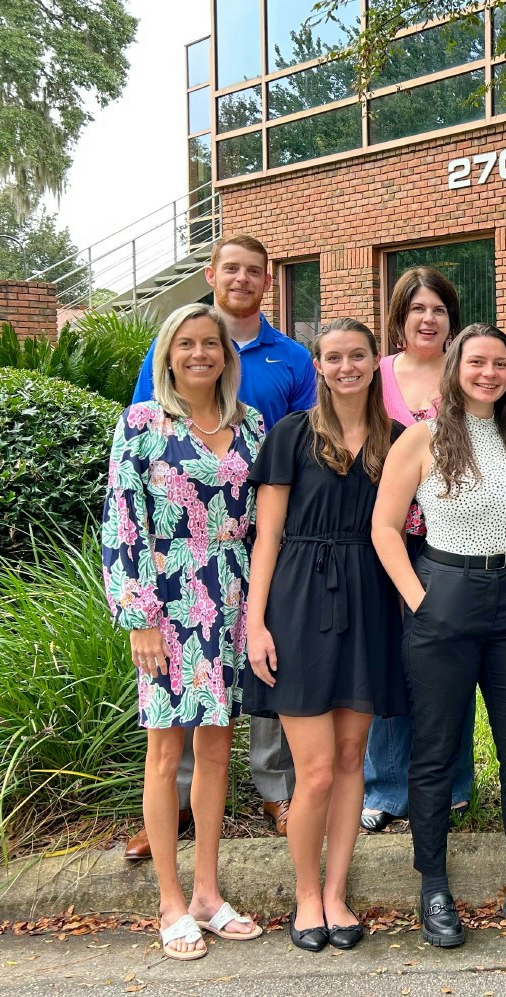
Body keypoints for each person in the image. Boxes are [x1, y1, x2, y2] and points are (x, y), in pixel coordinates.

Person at [372, 324, 506, 949]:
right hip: (444, 597)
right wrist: (420, 601)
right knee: (434, 750)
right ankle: (433, 884)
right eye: (476, 362)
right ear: (456, 368)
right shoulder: (423, 437)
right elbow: (385, 529)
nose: (488, 373)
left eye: (498, 364)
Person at [127, 233, 316, 858]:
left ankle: (272, 792)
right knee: (174, 722)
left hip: (244, 565)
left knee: (248, 698)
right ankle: (172, 813)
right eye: (230, 268)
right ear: (211, 273)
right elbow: (129, 507)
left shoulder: (289, 361)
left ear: (268, 281)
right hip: (173, 577)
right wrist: (138, 612)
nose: (241, 279)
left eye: (253, 272)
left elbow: (308, 448)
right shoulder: (148, 411)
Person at [101, 303, 267, 960]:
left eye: (211, 344)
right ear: (168, 354)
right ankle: (170, 900)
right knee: (166, 754)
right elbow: (121, 523)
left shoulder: (251, 425)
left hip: (232, 592)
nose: (200, 353)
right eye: (186, 343)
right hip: (169, 594)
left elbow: (262, 519)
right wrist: (138, 614)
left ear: (227, 355)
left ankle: (206, 891)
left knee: (218, 748)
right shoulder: (142, 424)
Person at [241, 318, 406, 953]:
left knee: (348, 760)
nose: (346, 367)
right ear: (319, 365)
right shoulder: (289, 436)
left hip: (368, 598)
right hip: (300, 601)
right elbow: (267, 538)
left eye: (357, 356)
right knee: (312, 772)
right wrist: (255, 622)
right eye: (333, 358)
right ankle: (306, 896)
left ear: (374, 362)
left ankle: (337, 894)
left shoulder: (394, 441)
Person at [361, 266, 476, 833]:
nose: (428, 319)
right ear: (399, 319)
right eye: (417, 310)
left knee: (449, 662)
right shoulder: (375, 375)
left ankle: (453, 785)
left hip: (457, 541)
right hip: (388, 538)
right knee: (395, 661)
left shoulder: (469, 375)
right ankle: (384, 788)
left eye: (438, 309)